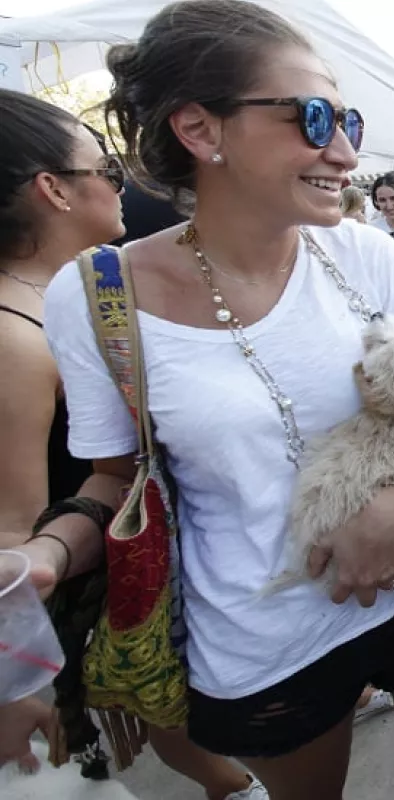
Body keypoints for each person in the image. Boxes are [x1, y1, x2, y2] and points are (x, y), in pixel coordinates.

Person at [39, 2, 394, 796]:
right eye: (313, 117)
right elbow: (115, 478)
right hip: (263, 637)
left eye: (345, 117)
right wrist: (47, 556)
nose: (347, 150)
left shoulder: (367, 256)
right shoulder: (95, 297)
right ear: (201, 130)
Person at [0, 88, 267, 799]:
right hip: (76, 596)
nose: (121, 184)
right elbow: (11, 535)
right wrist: (17, 679)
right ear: (53, 188)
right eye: (104, 169)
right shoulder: (15, 337)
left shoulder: (90, 289)